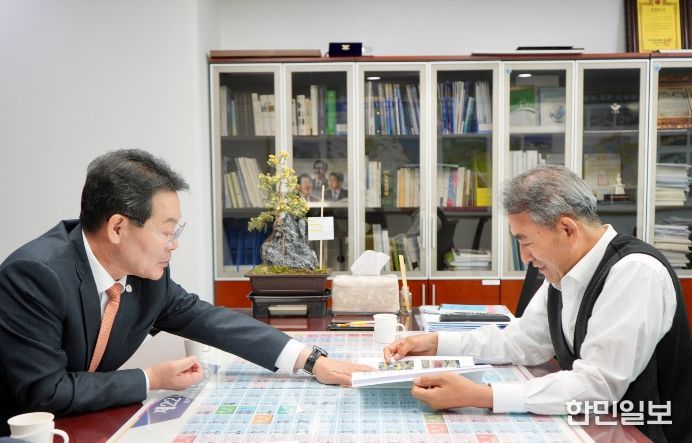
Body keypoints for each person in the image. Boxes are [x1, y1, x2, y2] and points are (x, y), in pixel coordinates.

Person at [0, 149, 373, 436]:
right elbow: (45, 392)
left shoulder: (146, 276)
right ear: (117, 227)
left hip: (85, 425)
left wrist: (310, 360)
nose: (173, 245)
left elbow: (209, 319)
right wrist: (151, 379)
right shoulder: (35, 275)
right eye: (166, 232)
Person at [384, 165, 691, 442]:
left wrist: (482, 395)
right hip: (598, 425)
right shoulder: (565, 272)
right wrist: (438, 343)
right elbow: (522, 341)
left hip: (643, 431)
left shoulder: (634, 272)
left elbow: (598, 386)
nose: (525, 258)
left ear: (567, 229)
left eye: (526, 242)